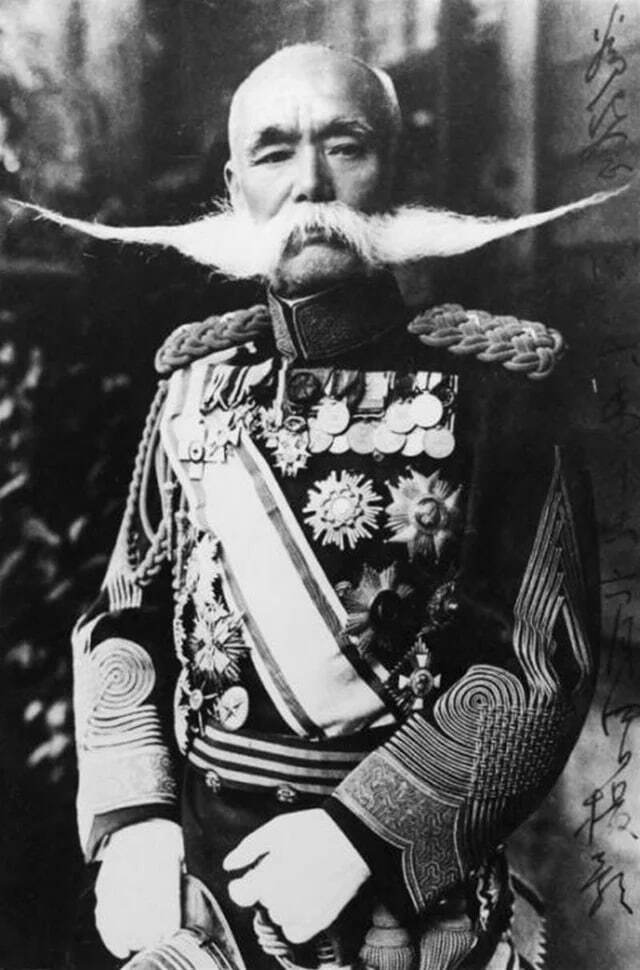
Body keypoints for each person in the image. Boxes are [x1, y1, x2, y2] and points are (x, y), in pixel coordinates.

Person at [71, 44, 600, 970]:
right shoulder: (191, 388)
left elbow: (538, 660)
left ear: (398, 172)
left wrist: (364, 832)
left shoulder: (498, 394)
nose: (310, 182)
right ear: (236, 189)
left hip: (406, 900)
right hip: (202, 892)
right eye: (274, 152)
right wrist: (133, 819)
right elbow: (127, 614)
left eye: (345, 145)